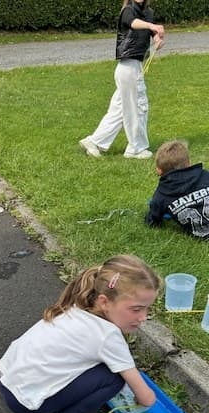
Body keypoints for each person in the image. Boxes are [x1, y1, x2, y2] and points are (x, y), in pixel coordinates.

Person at [0, 255, 159, 413]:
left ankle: (52, 407)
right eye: (136, 309)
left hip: (8, 380)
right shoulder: (107, 336)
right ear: (104, 301)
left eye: (147, 309)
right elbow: (147, 399)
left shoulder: (78, 306)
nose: (143, 317)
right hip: (25, 404)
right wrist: (147, 398)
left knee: (106, 370)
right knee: (114, 378)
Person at [79, 0, 164, 160]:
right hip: (128, 67)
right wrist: (152, 27)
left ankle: (94, 141)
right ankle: (136, 148)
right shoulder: (127, 11)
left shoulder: (148, 13)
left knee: (119, 110)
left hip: (133, 67)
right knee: (138, 107)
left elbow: (151, 33)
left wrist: (157, 40)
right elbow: (133, 23)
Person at [145, 140, 209, 239]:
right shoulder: (204, 175)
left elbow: (153, 220)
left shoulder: (161, 195)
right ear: (189, 163)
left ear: (159, 170)